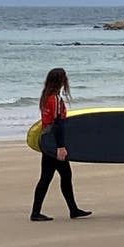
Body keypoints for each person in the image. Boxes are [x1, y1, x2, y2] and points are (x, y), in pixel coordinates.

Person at [30, 68, 92, 221]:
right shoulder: (55, 99)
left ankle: (67, 210)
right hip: (53, 143)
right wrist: (60, 147)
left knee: (49, 177)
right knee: (61, 176)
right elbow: (57, 124)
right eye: (65, 78)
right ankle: (70, 210)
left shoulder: (45, 97)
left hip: (47, 141)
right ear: (60, 80)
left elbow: (48, 123)